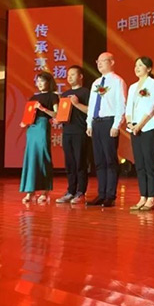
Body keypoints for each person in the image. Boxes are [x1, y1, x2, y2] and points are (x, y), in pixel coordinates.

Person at [86, 52, 127, 207]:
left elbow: (121, 104)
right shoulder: (96, 83)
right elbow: (92, 105)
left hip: (109, 122)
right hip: (96, 122)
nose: (99, 63)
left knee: (110, 160)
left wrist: (116, 125)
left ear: (112, 62)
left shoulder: (117, 81)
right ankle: (101, 194)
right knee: (99, 161)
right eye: (98, 61)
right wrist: (89, 124)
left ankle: (110, 195)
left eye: (103, 61)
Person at [125, 57, 154, 211]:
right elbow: (128, 107)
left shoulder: (153, 84)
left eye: (140, 65)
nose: (137, 68)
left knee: (149, 162)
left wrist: (139, 125)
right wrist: (129, 122)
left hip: (148, 127)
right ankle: (143, 196)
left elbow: (152, 107)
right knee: (139, 164)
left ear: (149, 68)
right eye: (135, 65)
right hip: (134, 128)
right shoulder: (132, 87)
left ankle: (151, 197)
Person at [20, 71, 59, 204]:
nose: (40, 83)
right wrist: (24, 122)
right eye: (38, 81)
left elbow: (57, 114)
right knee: (31, 158)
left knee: (43, 156)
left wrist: (42, 109)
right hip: (32, 128)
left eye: (42, 81)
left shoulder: (53, 96)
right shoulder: (33, 97)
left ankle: (45, 191)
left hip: (42, 126)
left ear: (49, 82)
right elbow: (28, 113)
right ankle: (30, 191)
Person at [56, 65, 90, 205]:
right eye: (68, 75)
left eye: (73, 74)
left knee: (80, 162)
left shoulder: (86, 92)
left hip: (80, 131)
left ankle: (81, 191)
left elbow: (90, 111)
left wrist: (76, 103)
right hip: (67, 132)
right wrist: (58, 119)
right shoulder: (65, 94)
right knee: (69, 163)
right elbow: (62, 113)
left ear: (80, 76)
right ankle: (70, 191)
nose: (69, 77)